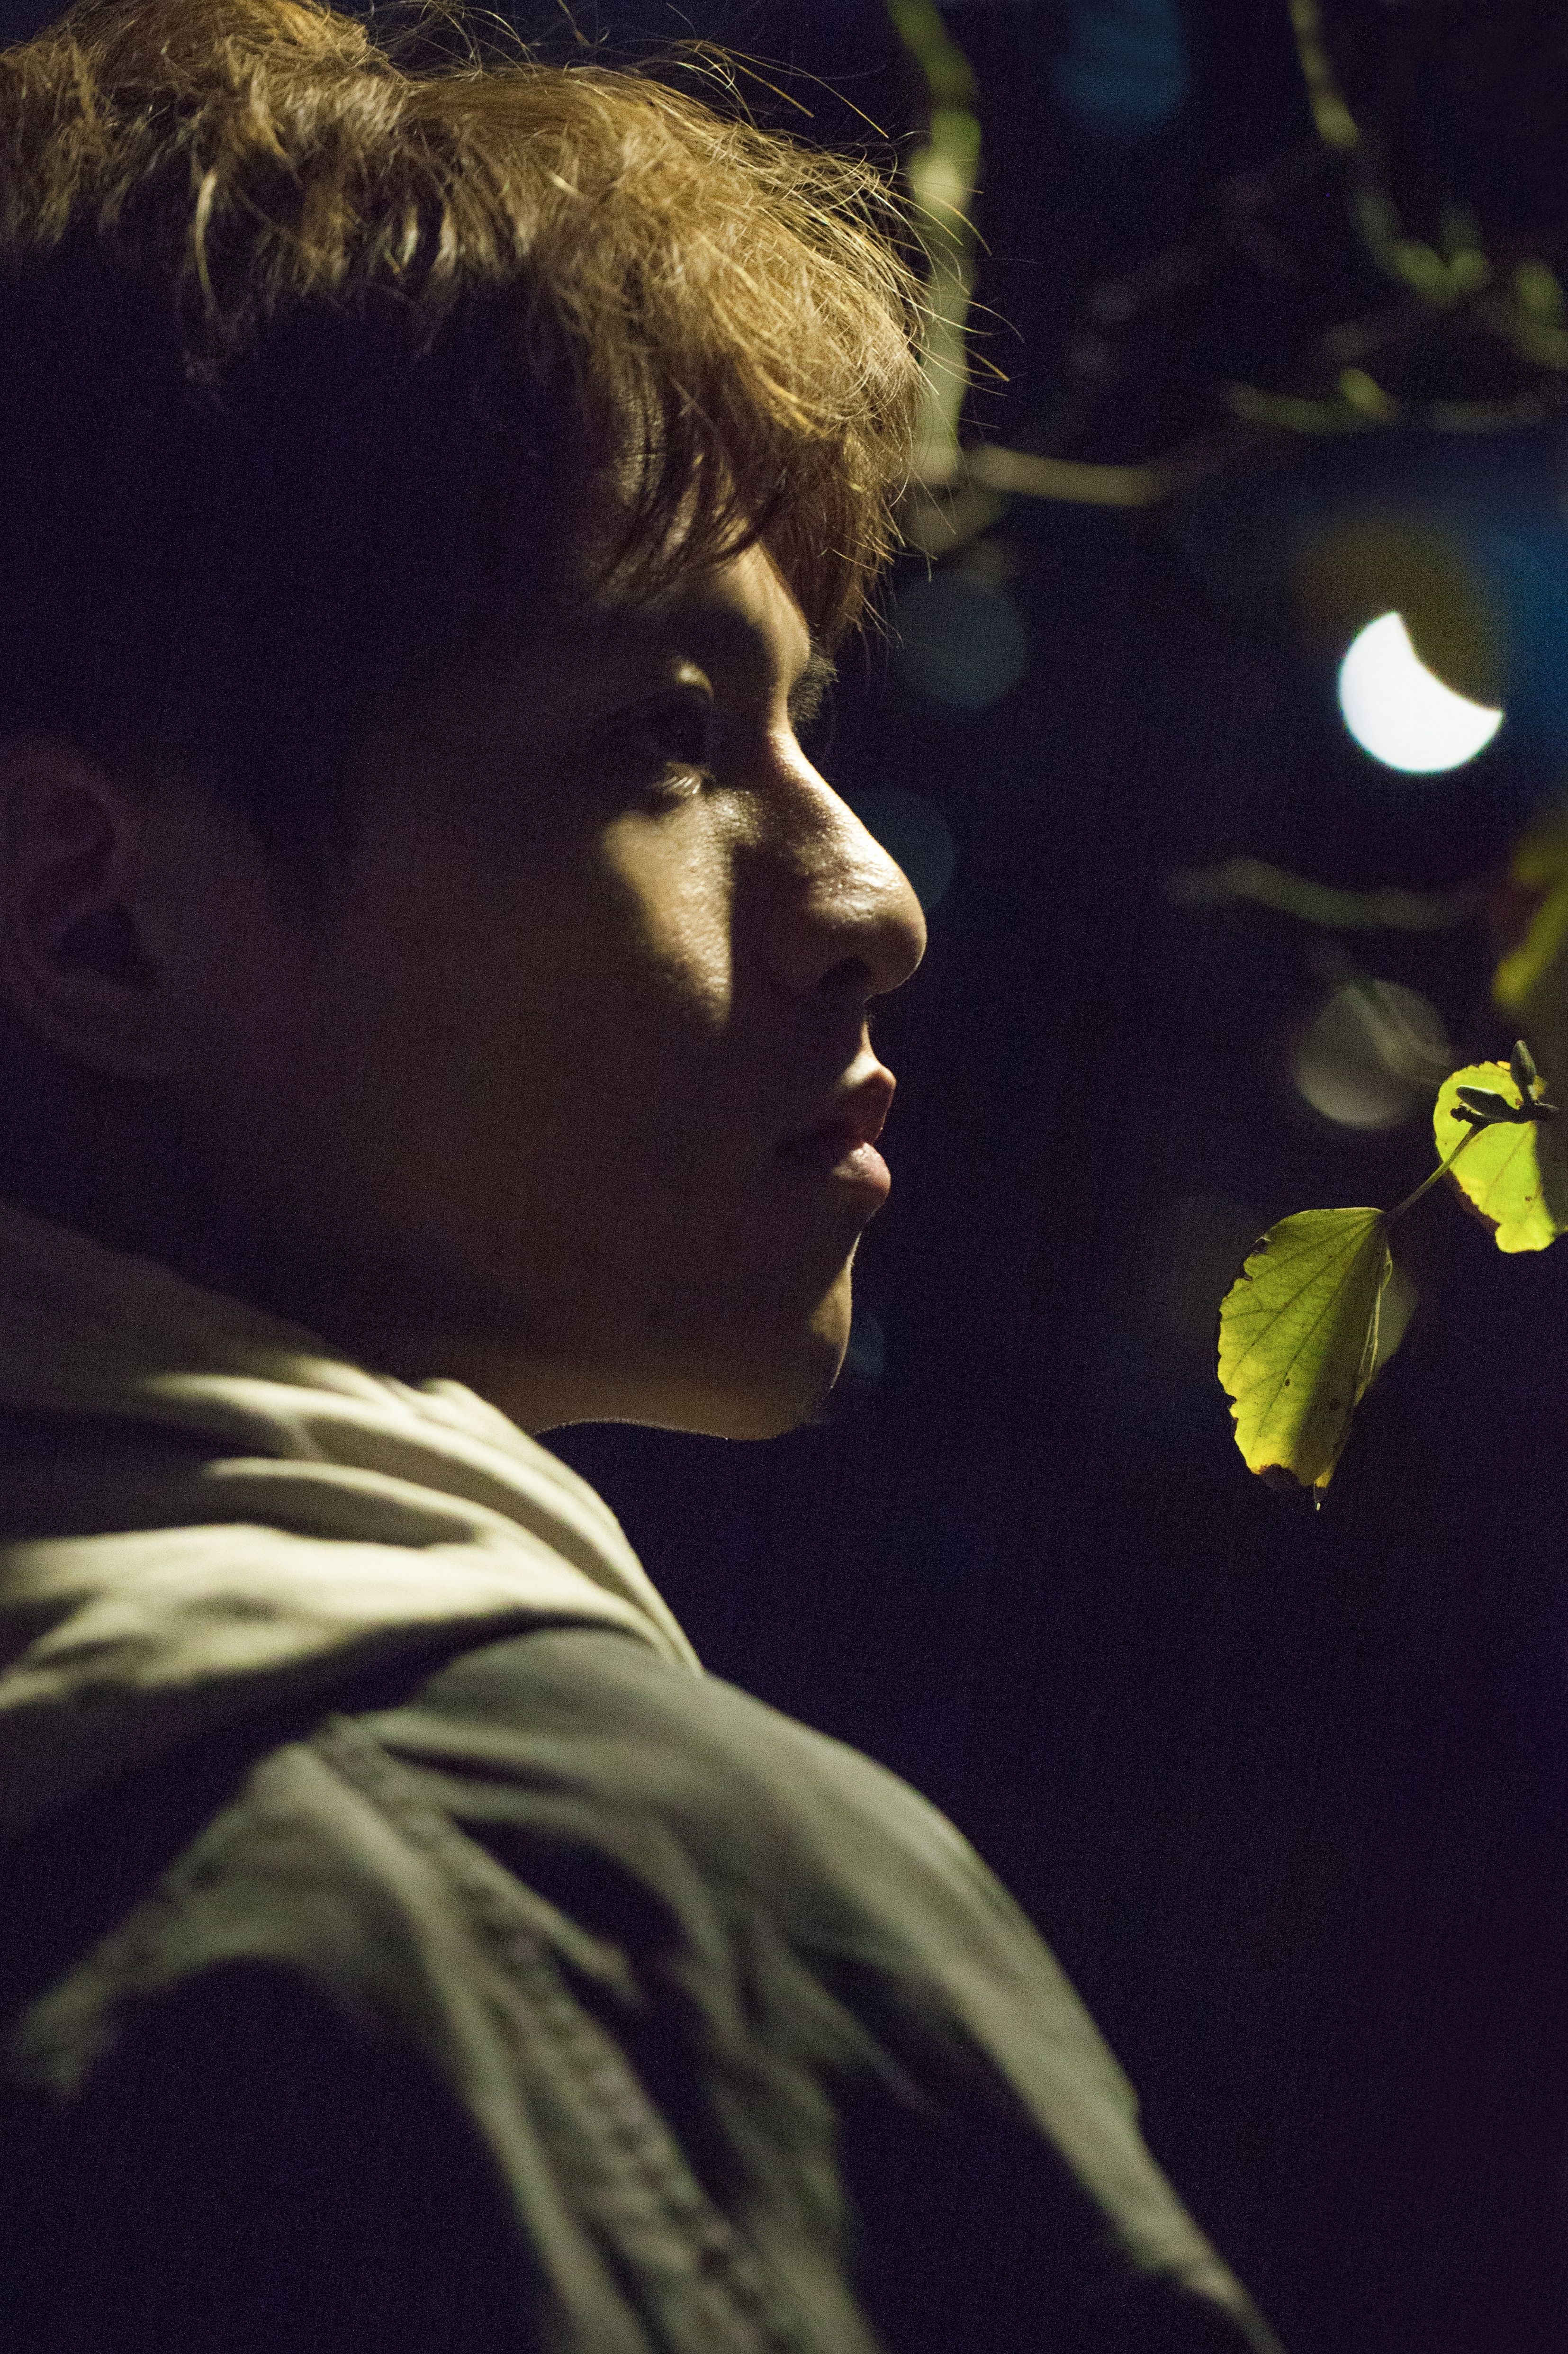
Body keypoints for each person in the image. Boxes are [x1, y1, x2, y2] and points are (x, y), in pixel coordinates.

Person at [0, 1, 1285, 2347]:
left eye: (804, 724)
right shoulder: (598, 1916)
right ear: (98, 920)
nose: (870, 899)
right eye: (662, 742)